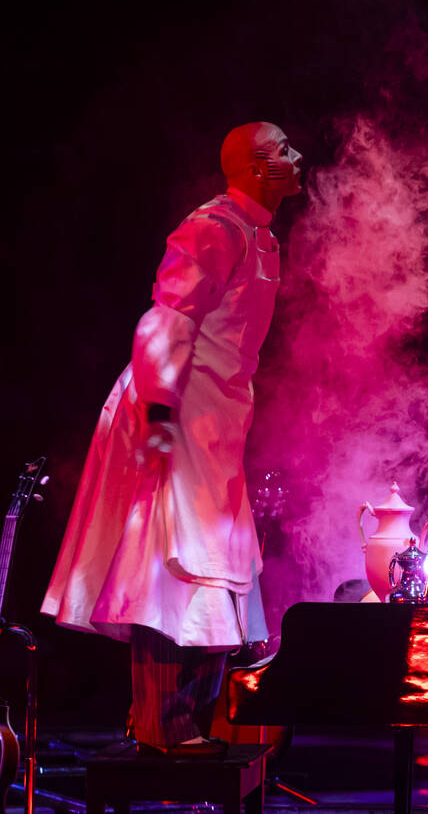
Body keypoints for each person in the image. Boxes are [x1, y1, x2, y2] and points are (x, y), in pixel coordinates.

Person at [41, 122, 303, 757]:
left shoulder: (260, 239)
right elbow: (168, 318)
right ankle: (162, 728)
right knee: (170, 568)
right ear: (254, 168)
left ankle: (181, 725)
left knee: (220, 570)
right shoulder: (213, 228)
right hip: (176, 408)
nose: (297, 158)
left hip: (215, 419)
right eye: (283, 151)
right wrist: (158, 414)